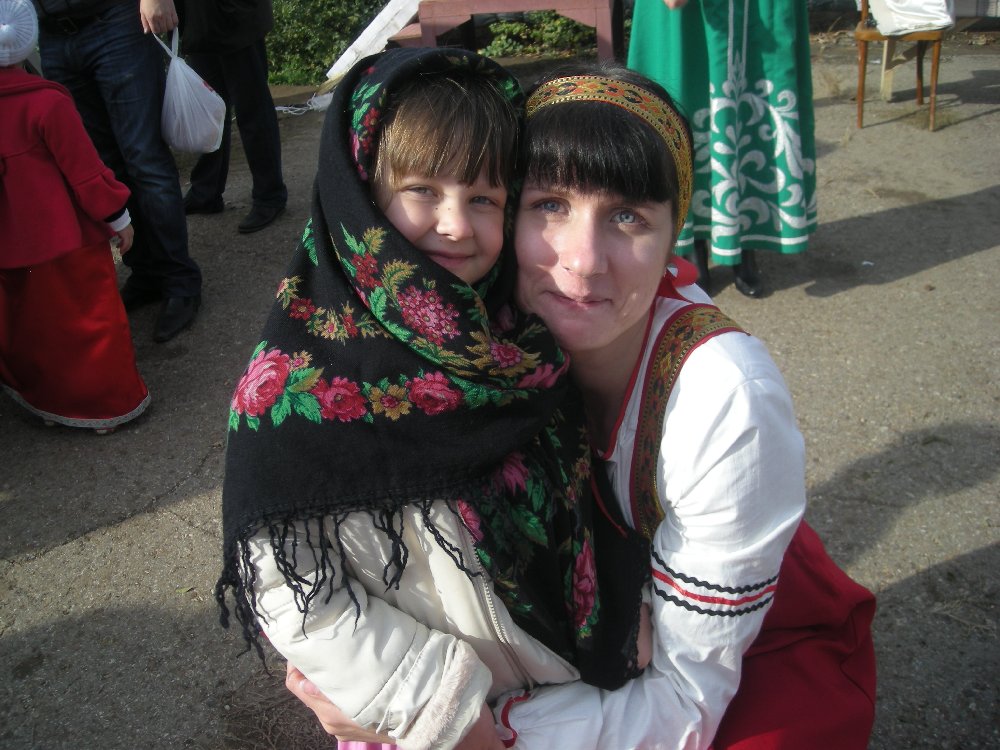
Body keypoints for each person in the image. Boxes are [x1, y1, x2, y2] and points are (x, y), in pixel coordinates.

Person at [288, 63, 877, 749]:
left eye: (628, 217)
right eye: (549, 206)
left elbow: (687, 699)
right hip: (574, 648)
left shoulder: (723, 399)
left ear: (672, 241)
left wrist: (476, 729)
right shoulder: (472, 327)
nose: (584, 260)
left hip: (743, 666)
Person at [215, 48, 653, 750]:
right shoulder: (293, 390)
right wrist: (443, 708)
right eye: (423, 189)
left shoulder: (517, 342)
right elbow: (299, 601)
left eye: (484, 199)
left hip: (567, 694)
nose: (455, 225)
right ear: (360, 194)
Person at [1, 0, 150, 433]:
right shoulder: (47, 102)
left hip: (12, 247)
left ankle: (47, 401)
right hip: (64, 241)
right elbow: (85, 172)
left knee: (35, 327)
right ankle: (106, 407)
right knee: (89, 324)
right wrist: (118, 218)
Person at [32, 0, 202, 342]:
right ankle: (146, 273)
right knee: (105, 164)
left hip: (114, 20)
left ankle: (179, 280)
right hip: (53, 34)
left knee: (144, 158)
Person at [627, 0, 818, 298]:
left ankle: (744, 241)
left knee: (754, 90)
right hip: (684, 16)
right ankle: (692, 246)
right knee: (684, 96)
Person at [177, 0, 287, 234]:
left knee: (252, 107)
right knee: (208, 108)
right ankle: (206, 191)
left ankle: (269, 195)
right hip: (198, 19)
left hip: (236, 14)